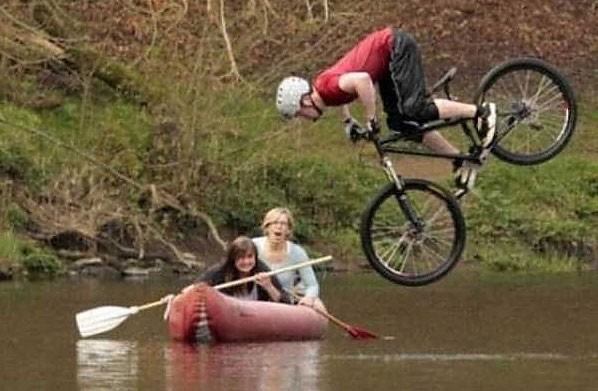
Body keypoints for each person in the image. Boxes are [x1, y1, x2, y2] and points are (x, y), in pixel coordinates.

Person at [275, 26, 497, 191]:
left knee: (414, 109)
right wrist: (348, 121)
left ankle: (480, 112)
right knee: (401, 123)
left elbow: (362, 80)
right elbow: (345, 93)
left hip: (394, 47)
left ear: (303, 101)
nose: (303, 118)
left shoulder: (327, 89)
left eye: (298, 114)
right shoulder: (325, 94)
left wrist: (371, 119)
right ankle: (458, 159)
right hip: (387, 62)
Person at [252, 207, 324, 309]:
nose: (279, 227)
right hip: (253, 301)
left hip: (283, 304)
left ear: (288, 229)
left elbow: (312, 285)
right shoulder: (253, 246)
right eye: (274, 222)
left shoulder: (297, 252)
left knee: (318, 305)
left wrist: (309, 297)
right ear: (267, 227)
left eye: (283, 223)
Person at [194, 236, 292, 303]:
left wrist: (269, 287)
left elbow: (286, 302)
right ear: (233, 259)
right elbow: (196, 288)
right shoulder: (221, 270)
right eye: (241, 257)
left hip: (256, 319)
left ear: (255, 257)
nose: (246, 262)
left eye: (250, 257)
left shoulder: (262, 269)